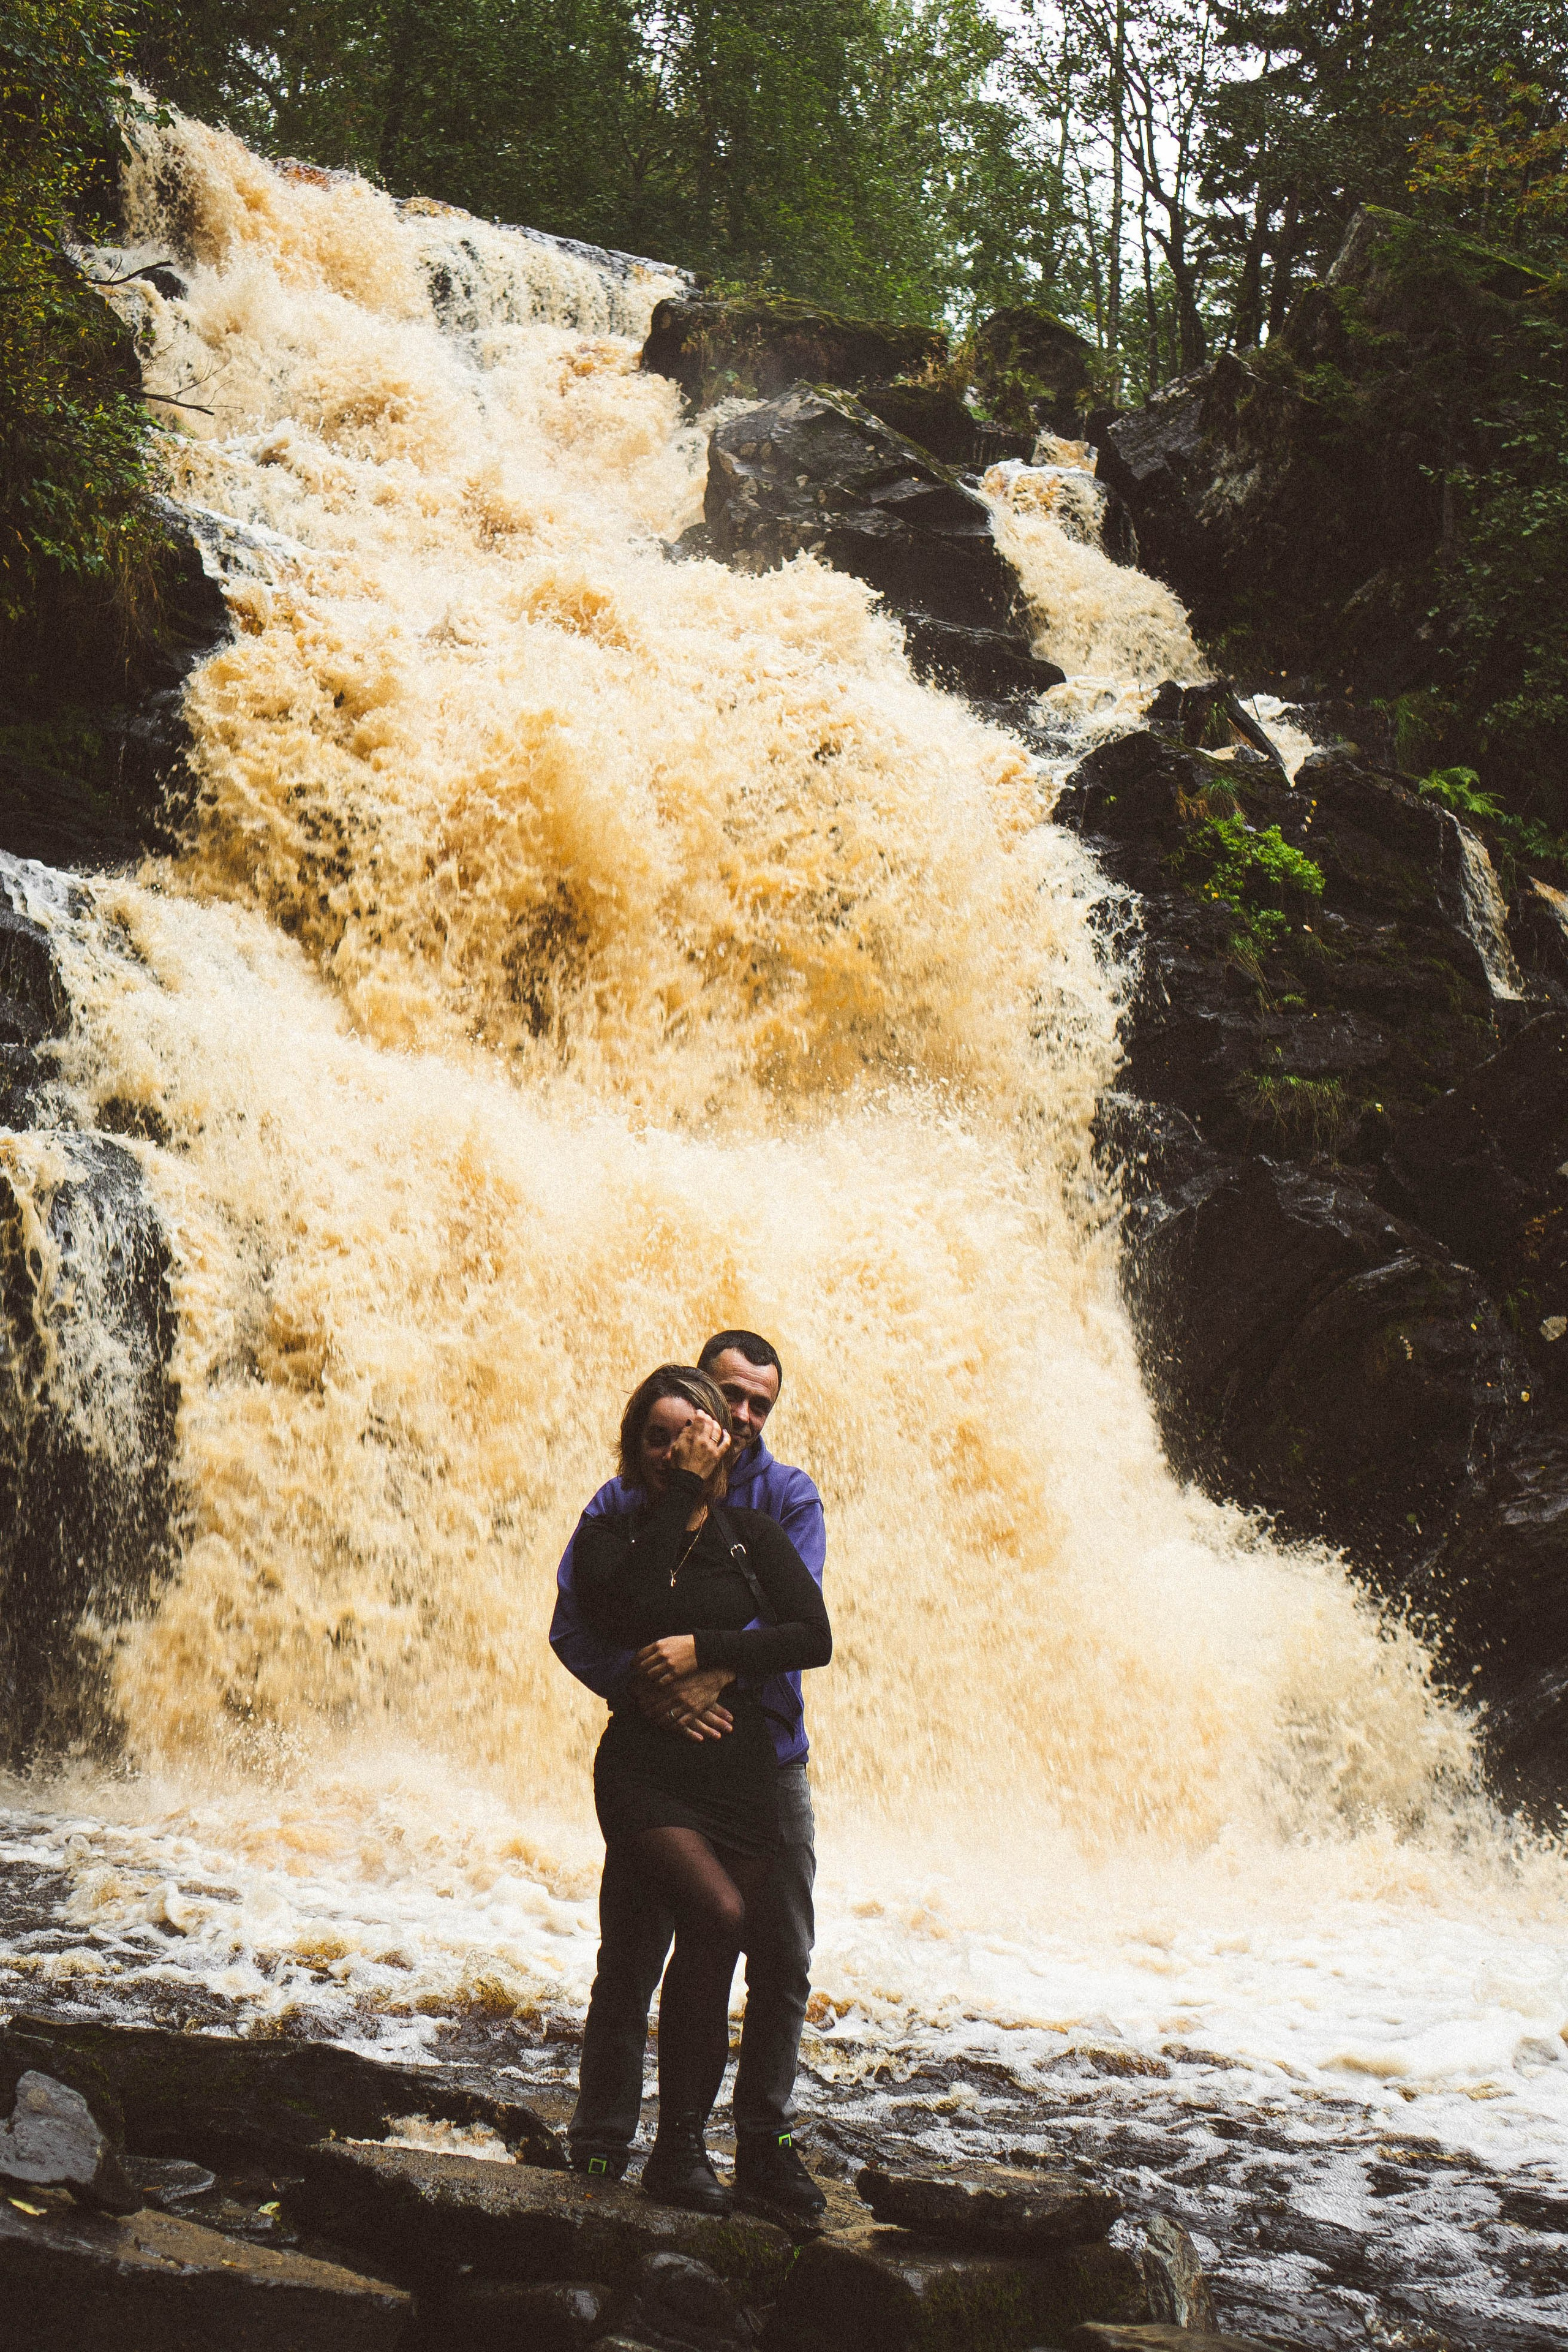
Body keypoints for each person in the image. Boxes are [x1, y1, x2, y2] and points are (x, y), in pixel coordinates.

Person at [551, 1330, 828, 2225]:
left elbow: (801, 1629)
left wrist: (711, 1662)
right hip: (654, 1765)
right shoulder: (624, 1505)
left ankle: (760, 2147)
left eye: (758, 1406)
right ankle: (602, 2144)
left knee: (773, 1957)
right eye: (727, 1399)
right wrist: (649, 1688)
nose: (737, 1421)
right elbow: (588, 1626)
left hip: (761, 1761)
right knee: (635, 1955)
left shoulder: (779, 1502)